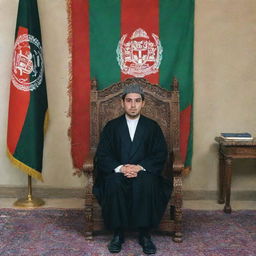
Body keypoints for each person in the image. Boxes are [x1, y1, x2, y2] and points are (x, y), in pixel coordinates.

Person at [93, 84, 172, 254]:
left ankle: (144, 234)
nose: (133, 105)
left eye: (137, 101)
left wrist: (139, 167)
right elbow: (103, 154)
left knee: (146, 183)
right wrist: (121, 168)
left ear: (143, 103)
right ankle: (117, 233)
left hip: (144, 172)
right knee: (113, 183)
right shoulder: (112, 126)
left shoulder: (152, 127)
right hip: (118, 172)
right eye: (129, 101)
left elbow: (160, 154)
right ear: (122, 103)